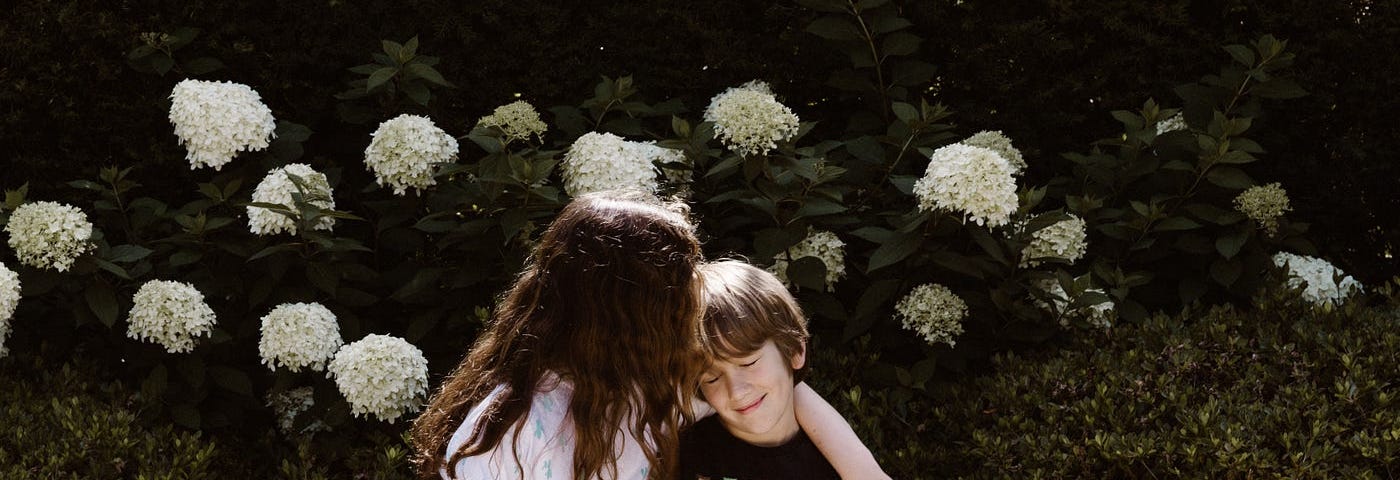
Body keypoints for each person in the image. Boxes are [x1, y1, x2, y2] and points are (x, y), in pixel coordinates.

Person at [411, 191, 885, 480]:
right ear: (626, 317)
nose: (689, 309)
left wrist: (860, 469)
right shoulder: (506, 434)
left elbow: (774, 383)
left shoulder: (652, 388)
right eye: (676, 296)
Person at [680, 259, 848, 480]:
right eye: (711, 379)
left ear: (795, 351)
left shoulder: (837, 459)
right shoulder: (688, 452)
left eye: (748, 363)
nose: (737, 392)